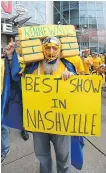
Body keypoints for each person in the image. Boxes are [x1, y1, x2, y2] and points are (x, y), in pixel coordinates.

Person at [4, 36, 85, 172]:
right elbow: (18, 82)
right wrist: (11, 56)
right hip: (39, 122)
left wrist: (72, 78)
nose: (51, 51)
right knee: (42, 155)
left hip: (62, 123)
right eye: (48, 47)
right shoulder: (33, 67)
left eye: (54, 47)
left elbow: (81, 92)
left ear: (59, 49)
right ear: (42, 48)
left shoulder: (67, 66)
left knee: (64, 156)